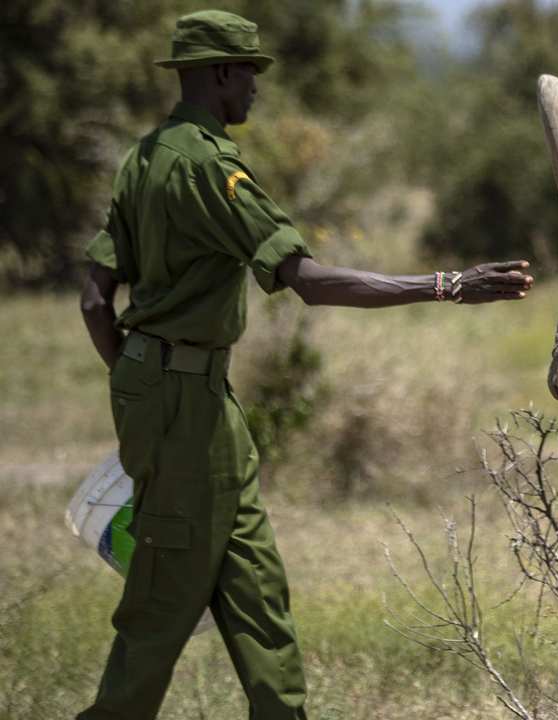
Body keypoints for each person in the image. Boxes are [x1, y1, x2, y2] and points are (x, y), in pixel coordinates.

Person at [76, 10, 533, 719]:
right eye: (250, 74)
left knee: (259, 603)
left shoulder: (143, 156)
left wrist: (135, 379)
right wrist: (445, 285)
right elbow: (309, 281)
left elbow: (91, 299)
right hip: (184, 407)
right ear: (221, 73)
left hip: (194, 401)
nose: (256, 89)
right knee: (160, 609)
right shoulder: (208, 167)